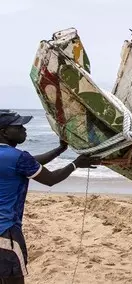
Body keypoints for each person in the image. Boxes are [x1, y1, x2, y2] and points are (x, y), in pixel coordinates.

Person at [0, 110, 98, 284]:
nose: (24, 129)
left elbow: (30, 163)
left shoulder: (10, 157)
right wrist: (76, 164)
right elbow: (51, 179)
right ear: (4, 132)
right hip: (6, 231)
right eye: (19, 126)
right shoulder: (17, 157)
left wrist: (59, 150)